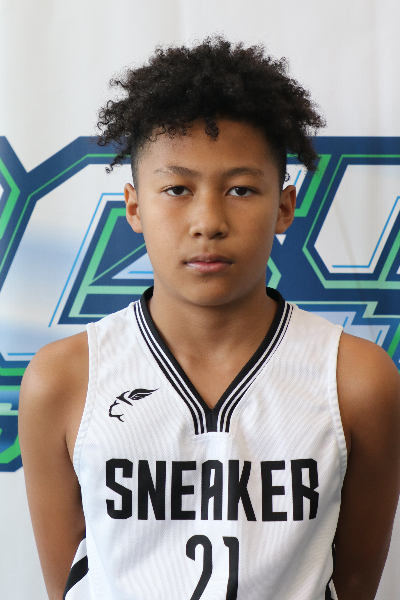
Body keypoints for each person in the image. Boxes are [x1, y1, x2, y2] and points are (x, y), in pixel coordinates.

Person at [19, 37, 400, 600]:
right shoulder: (64, 380)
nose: (208, 221)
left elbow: (356, 582)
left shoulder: (357, 381)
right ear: (134, 207)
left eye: (241, 189)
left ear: (284, 207)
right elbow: (71, 582)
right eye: (177, 189)